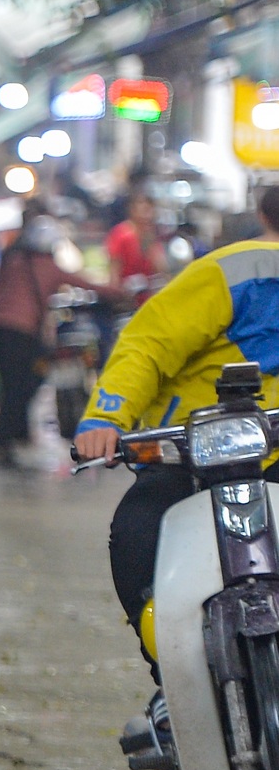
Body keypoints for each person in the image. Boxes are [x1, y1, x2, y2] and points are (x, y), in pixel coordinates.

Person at [70, 219, 279, 650]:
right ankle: (165, 665)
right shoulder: (237, 272)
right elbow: (147, 345)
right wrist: (105, 419)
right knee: (138, 532)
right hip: (195, 454)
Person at [0, 215, 68, 465]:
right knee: (22, 387)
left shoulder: (14, 262)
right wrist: (123, 293)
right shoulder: (48, 266)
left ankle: (10, 433)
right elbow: (86, 283)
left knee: (12, 386)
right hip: (20, 335)